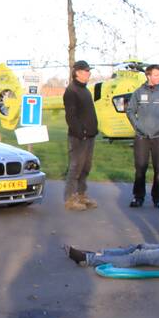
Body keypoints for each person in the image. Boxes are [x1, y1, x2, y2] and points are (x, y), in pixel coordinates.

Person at [126, 64, 159, 208]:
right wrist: (137, 126)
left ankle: (158, 198)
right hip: (141, 137)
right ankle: (138, 197)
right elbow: (130, 111)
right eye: (156, 75)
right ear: (148, 76)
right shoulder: (138, 92)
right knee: (140, 168)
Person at [63, 60, 98, 211]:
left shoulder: (85, 90)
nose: (89, 73)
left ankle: (82, 195)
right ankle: (70, 198)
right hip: (79, 137)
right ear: (77, 72)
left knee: (86, 167)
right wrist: (81, 132)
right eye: (86, 71)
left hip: (90, 136)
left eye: (89, 70)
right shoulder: (71, 91)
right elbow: (71, 116)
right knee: (75, 166)